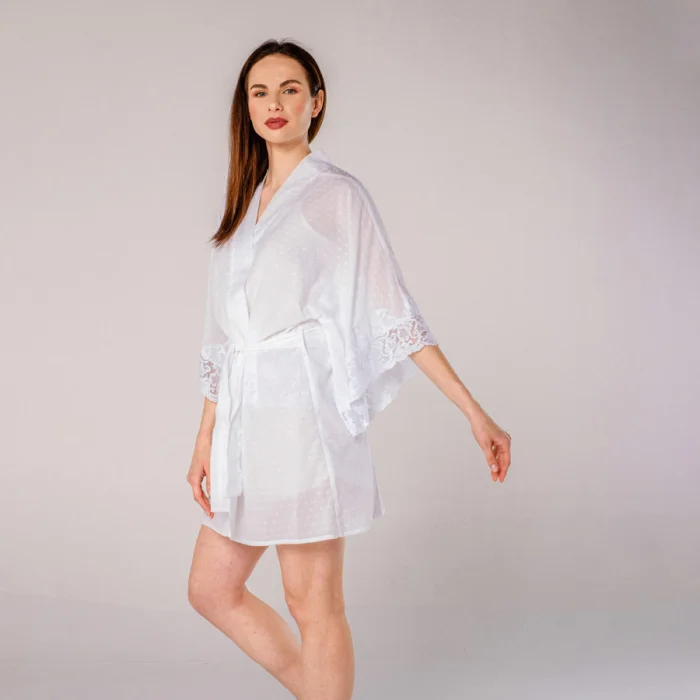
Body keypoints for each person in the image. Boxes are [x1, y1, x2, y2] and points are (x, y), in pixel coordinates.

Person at [186, 39, 511, 700]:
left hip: (303, 422)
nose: (274, 103)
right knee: (211, 588)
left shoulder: (335, 196)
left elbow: (395, 310)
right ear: (246, 108)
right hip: (244, 426)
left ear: (316, 102)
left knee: (312, 601)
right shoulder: (245, 206)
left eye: (290, 89)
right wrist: (204, 437)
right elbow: (225, 337)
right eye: (259, 92)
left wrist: (473, 412)